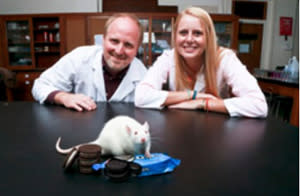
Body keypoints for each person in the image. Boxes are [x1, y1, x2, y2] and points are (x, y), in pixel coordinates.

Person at [135, 7, 268, 118]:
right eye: (183, 32)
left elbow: (259, 105)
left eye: (197, 33)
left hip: (216, 133)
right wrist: (192, 95)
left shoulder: (225, 59)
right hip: (178, 129)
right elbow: (141, 96)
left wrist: (203, 103)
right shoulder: (168, 58)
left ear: (208, 37)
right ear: (175, 36)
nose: (189, 39)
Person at [32, 13, 147, 112]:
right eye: (114, 41)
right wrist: (63, 97)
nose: (119, 51)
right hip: (79, 128)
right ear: (103, 40)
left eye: (128, 45)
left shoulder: (143, 75)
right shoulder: (79, 57)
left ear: (137, 49)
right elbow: (40, 86)